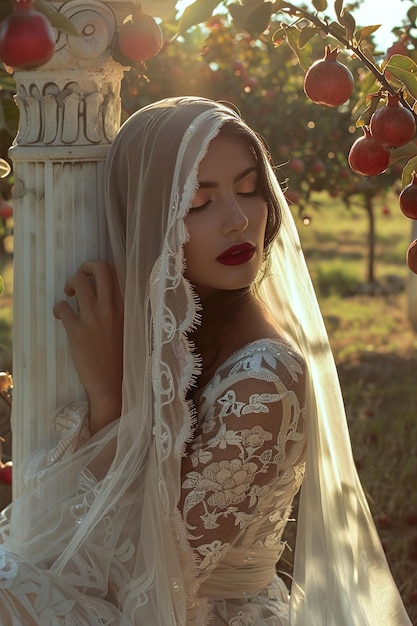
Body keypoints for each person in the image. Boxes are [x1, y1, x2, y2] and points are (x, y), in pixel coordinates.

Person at [0, 96, 411, 625]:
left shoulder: (265, 379)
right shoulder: (180, 337)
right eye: (198, 202)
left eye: (248, 190)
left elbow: (152, 579)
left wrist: (108, 401)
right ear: (148, 220)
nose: (239, 220)